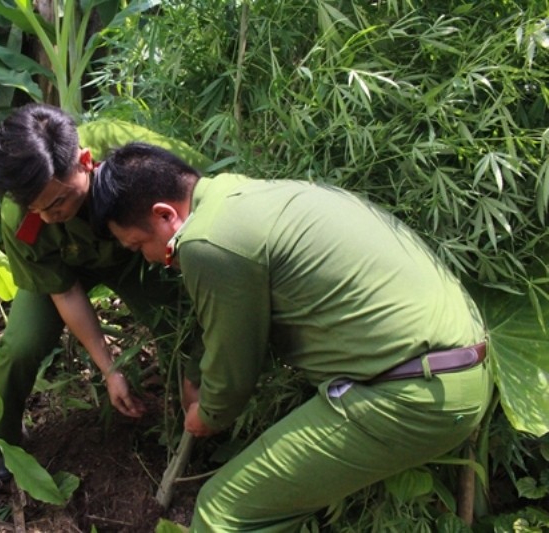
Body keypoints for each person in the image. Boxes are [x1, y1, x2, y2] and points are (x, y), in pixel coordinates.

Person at [90, 142, 493, 531]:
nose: (146, 257)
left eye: (138, 244)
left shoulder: (206, 243)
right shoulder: (238, 196)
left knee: (222, 513)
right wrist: (195, 375)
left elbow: (236, 365)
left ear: (164, 216)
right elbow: (224, 325)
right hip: (457, 368)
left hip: (408, 395)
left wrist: (208, 413)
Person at [0, 105, 210, 481]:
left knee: (179, 327)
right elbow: (65, 291)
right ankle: (3, 440)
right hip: (65, 271)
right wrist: (111, 369)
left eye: (57, 203)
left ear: (85, 161)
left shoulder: (131, 153)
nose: (46, 216)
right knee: (20, 346)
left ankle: (188, 430)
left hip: (137, 256)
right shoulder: (22, 213)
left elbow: (196, 191)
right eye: (34, 208)